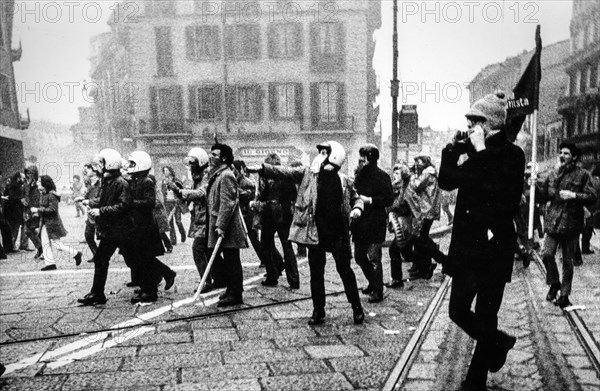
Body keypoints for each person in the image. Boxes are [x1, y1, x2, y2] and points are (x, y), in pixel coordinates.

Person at [439, 91, 524, 390]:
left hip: (494, 247)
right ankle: (499, 342)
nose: (470, 125)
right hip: (466, 247)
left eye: (475, 120)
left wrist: (479, 151)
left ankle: (475, 380)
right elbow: (448, 181)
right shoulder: (475, 151)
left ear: (490, 123)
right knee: (457, 310)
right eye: (469, 121)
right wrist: (449, 151)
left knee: (487, 313)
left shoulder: (512, 155)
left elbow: (502, 199)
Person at [250, 141, 364, 325]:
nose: (319, 155)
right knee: (316, 273)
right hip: (315, 232)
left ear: (335, 156)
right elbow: (285, 172)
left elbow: (356, 198)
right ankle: (318, 310)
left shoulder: (344, 180)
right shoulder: (307, 175)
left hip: (337, 233)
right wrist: (263, 169)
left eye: (324, 152)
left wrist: (357, 209)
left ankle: (356, 307)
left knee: (345, 270)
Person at [535, 143, 597, 308]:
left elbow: (592, 197)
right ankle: (554, 283)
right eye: (561, 153)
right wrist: (534, 186)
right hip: (554, 222)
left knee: (568, 261)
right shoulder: (553, 174)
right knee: (547, 254)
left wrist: (574, 195)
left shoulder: (583, 175)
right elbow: (543, 197)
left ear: (574, 157)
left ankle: (564, 294)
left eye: (566, 154)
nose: (562, 156)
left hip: (571, 223)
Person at [78, 148, 134, 306]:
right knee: (103, 258)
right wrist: (92, 203)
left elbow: (123, 205)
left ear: (109, 164)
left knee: (135, 259)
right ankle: (97, 293)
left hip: (119, 229)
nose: (97, 167)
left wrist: (100, 211)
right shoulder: (108, 181)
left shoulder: (120, 183)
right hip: (112, 229)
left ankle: (153, 285)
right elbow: (105, 201)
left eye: (101, 164)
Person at [173, 147, 226, 293]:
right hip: (201, 219)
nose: (190, 166)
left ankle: (206, 281)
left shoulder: (206, 175)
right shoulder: (197, 177)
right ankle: (221, 278)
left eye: (193, 163)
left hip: (208, 219)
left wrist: (181, 192)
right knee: (208, 250)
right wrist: (180, 193)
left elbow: (202, 193)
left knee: (198, 249)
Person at [126, 151, 173, 303]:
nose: (130, 166)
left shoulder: (146, 181)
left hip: (145, 225)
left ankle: (151, 290)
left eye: (133, 164)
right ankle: (158, 280)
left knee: (145, 258)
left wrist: (132, 203)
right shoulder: (136, 180)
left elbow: (150, 202)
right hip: (138, 225)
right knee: (143, 258)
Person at [205, 143, 248, 307]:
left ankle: (236, 293)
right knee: (229, 260)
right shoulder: (217, 175)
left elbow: (227, 203)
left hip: (228, 227)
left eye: (215, 155)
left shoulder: (226, 175)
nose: (211, 157)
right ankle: (231, 289)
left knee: (232, 260)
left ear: (223, 158)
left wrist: (221, 225)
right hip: (221, 225)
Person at [351, 144, 393, 303]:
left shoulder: (382, 176)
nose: (360, 162)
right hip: (360, 222)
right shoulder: (359, 175)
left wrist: (370, 200)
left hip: (375, 221)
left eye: (362, 159)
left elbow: (389, 199)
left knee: (374, 257)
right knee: (359, 256)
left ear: (370, 158)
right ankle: (373, 282)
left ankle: (378, 290)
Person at [256, 153, 299, 289]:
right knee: (286, 246)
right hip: (283, 214)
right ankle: (293, 279)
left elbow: (264, 195)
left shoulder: (271, 178)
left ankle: (272, 276)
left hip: (272, 214)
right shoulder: (286, 177)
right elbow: (293, 195)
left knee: (267, 245)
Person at [31, 175, 83, 271]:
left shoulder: (51, 195)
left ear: (44, 184)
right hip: (45, 223)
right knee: (45, 243)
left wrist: (38, 210)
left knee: (57, 244)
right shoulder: (43, 194)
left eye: (39, 181)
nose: (37, 183)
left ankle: (76, 254)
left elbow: (53, 209)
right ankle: (50, 263)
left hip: (52, 224)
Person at [161, 166, 187, 245]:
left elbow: (181, 191)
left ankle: (183, 234)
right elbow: (163, 192)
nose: (165, 172)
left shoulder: (176, 181)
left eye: (167, 170)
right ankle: (173, 240)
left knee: (178, 221)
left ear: (170, 171)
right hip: (168, 203)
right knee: (170, 222)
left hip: (176, 203)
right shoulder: (163, 181)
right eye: (164, 170)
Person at [21, 166, 43, 257]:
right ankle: (40, 248)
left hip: (37, 210)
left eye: (30, 173)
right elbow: (23, 195)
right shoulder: (26, 184)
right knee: (28, 231)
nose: (28, 175)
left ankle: (44, 251)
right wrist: (22, 200)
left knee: (41, 230)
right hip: (28, 210)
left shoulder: (39, 185)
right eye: (27, 173)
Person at [581, 165, 600, 254]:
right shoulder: (595, 182)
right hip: (591, 209)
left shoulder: (588, 181)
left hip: (589, 208)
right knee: (588, 229)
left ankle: (585, 248)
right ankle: (585, 249)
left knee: (587, 228)